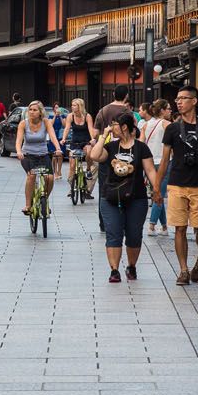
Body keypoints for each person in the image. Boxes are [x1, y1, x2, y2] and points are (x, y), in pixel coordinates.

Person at [155, 85, 198, 285]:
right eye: (177, 98)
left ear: (194, 101)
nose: (179, 102)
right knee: (180, 228)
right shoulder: (173, 128)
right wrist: (157, 187)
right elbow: (165, 159)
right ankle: (183, 270)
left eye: (183, 98)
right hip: (176, 184)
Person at [88, 113, 157, 283]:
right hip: (110, 197)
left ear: (124, 127)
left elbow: (150, 170)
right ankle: (114, 270)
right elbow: (95, 156)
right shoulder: (111, 147)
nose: (111, 127)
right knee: (113, 233)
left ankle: (132, 266)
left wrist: (157, 190)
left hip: (137, 198)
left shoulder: (141, 148)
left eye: (114, 124)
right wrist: (103, 135)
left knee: (134, 234)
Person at [15, 100, 62, 216]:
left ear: (40, 112)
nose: (32, 112)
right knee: (31, 176)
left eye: (35, 110)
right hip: (27, 155)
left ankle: (44, 199)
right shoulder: (23, 124)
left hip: (43, 155)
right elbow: (19, 140)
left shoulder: (45, 122)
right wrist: (19, 151)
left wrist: (58, 148)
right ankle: (28, 205)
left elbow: (52, 136)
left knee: (50, 178)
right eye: (30, 110)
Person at [141, 99, 172, 236]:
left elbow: (141, 144)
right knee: (158, 193)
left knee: (157, 191)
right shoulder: (167, 125)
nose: (171, 111)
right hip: (164, 162)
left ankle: (164, 227)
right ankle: (152, 225)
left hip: (149, 163)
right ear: (162, 110)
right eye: (169, 109)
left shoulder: (146, 125)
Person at [63, 99, 95, 196]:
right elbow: (67, 128)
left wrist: (93, 139)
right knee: (72, 166)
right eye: (72, 105)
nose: (72, 107)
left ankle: (88, 169)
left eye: (74, 105)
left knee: (89, 153)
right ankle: (71, 188)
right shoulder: (70, 116)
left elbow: (90, 129)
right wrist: (64, 138)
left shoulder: (87, 116)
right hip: (75, 142)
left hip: (86, 141)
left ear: (80, 106)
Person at [49, 104, 66, 178]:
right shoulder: (50, 116)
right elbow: (50, 124)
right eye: (56, 107)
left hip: (60, 136)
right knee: (54, 154)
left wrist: (61, 116)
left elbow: (64, 125)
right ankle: (55, 171)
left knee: (60, 155)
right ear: (53, 109)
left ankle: (59, 171)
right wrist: (55, 116)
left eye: (58, 107)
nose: (57, 109)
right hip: (53, 135)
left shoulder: (63, 116)